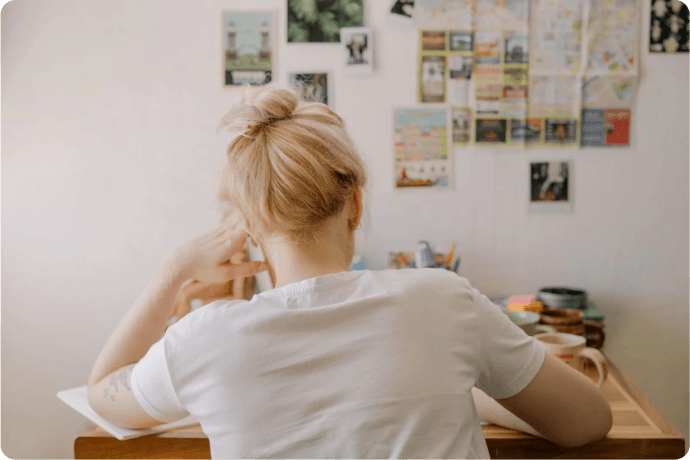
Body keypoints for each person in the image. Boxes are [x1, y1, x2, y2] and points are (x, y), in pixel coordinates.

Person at [87, 85, 612, 459]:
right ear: (356, 203)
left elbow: (102, 392)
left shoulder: (202, 340)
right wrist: (472, 389)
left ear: (247, 224)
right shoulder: (445, 301)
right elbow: (587, 423)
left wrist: (172, 271)